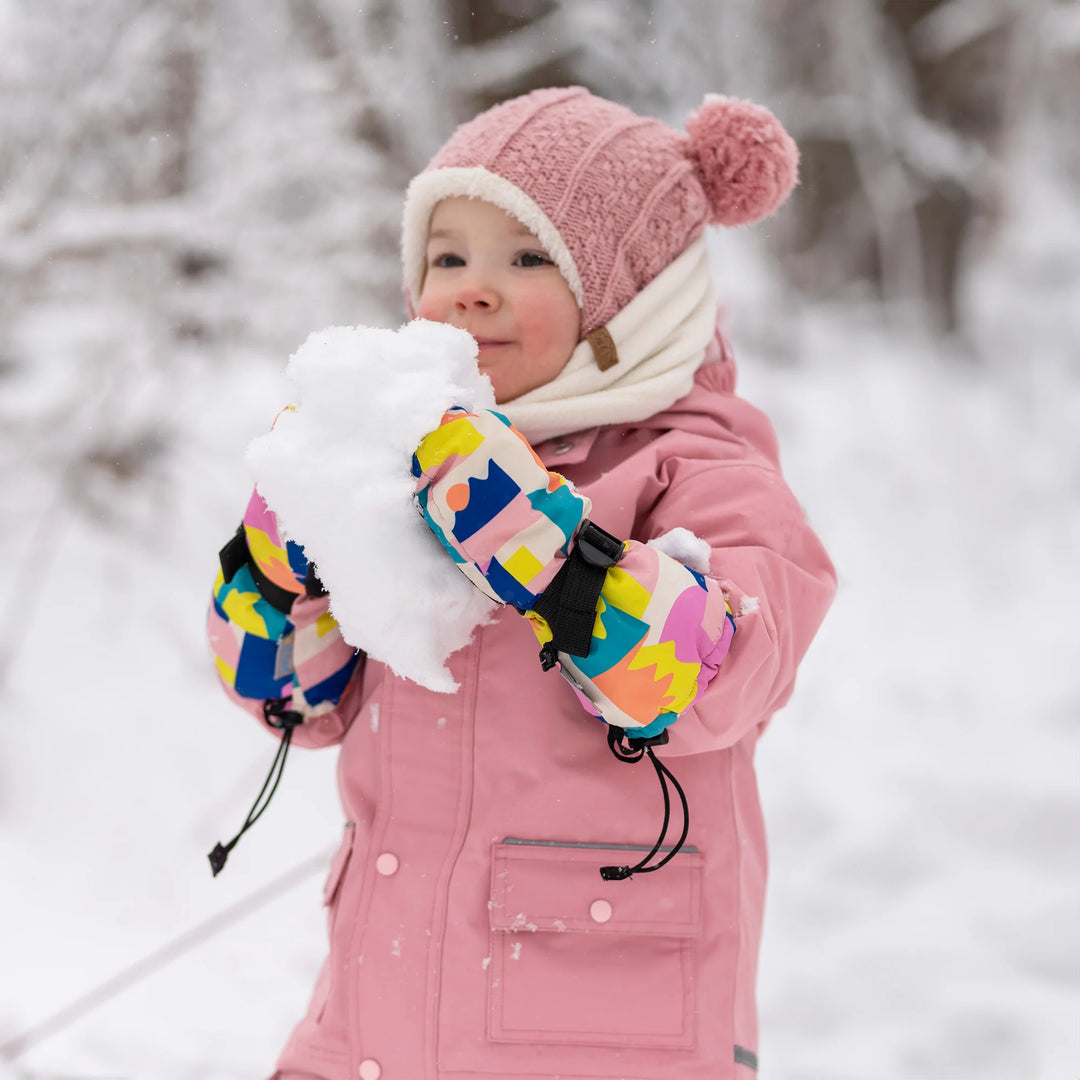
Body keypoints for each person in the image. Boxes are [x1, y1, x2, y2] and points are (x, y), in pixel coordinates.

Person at [207, 86, 836, 1080]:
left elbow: (707, 670)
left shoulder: (699, 471)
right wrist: (280, 558)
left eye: (528, 257)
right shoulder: (407, 466)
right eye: (447, 256)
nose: (472, 288)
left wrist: (536, 539)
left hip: (602, 1039)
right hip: (377, 1028)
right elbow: (293, 698)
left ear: (631, 299)